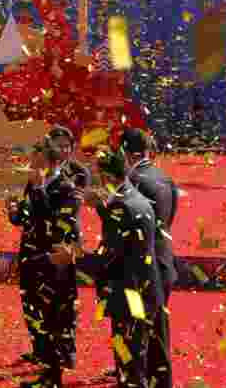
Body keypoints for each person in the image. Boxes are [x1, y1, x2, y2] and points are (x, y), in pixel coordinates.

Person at [53, 148, 163, 388]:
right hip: (141, 292)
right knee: (134, 359)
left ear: (107, 177)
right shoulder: (133, 197)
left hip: (131, 296)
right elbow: (125, 234)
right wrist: (102, 205)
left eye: (96, 174)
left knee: (130, 367)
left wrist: (72, 257)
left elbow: (107, 260)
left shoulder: (121, 207)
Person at [7, 136, 82, 388]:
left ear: (48, 160)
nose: (30, 162)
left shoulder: (66, 188)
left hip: (52, 264)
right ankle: (46, 372)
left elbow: (53, 229)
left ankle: (54, 377)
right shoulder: (34, 184)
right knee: (34, 316)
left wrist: (38, 190)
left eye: (35, 157)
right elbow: (29, 220)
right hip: (31, 260)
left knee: (52, 320)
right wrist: (14, 213)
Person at [119, 129, 178, 388]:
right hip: (164, 263)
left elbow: (128, 230)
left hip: (139, 268)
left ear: (124, 152)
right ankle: (161, 378)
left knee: (135, 330)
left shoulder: (133, 182)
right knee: (158, 327)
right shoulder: (165, 178)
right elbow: (168, 221)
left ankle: (135, 378)